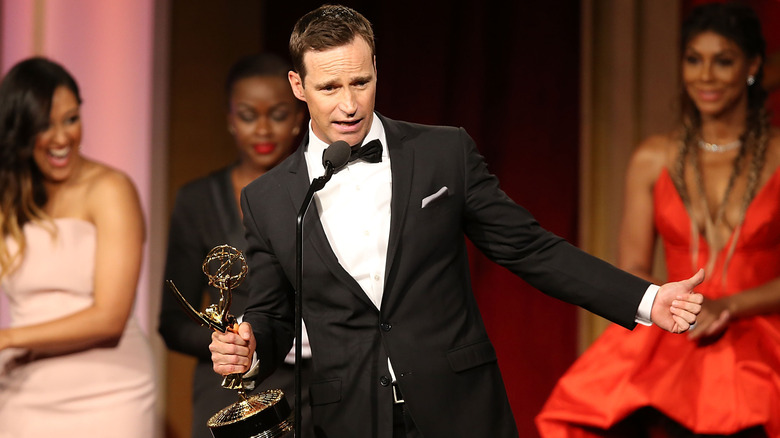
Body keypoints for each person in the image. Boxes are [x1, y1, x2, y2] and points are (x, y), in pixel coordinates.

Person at [208, 5, 705, 438]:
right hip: (350, 419)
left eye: (361, 81)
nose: (350, 104)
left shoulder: (442, 153)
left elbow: (530, 248)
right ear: (298, 85)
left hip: (461, 408)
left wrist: (647, 299)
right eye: (330, 87)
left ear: (377, 67)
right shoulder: (268, 200)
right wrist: (249, 353)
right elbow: (272, 317)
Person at [536, 3, 780, 437]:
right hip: (673, 327)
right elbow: (633, 267)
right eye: (693, 59)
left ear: (752, 66)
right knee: (584, 414)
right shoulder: (653, 158)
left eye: (722, 61)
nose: (705, 75)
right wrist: (678, 308)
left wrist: (727, 306)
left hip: (761, 332)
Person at [157, 53, 313, 437]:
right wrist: (230, 338)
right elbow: (172, 322)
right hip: (228, 392)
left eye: (277, 114)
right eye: (247, 115)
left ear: (299, 117)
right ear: (230, 120)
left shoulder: (325, 192)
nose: (262, 129)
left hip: (318, 386)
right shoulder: (198, 200)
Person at [0, 57, 156, 435]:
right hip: (23, 395)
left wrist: (7, 338)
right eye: (44, 125)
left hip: (109, 396)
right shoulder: (8, 197)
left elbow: (109, 318)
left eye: (71, 119)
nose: (62, 138)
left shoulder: (110, 189)